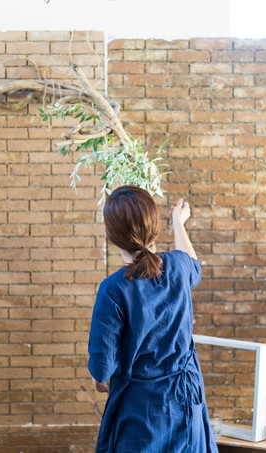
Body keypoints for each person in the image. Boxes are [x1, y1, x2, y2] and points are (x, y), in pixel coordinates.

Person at [87, 185, 218, 453]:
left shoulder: (112, 289)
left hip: (140, 410)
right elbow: (193, 265)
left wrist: (98, 377)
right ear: (154, 228)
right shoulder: (179, 268)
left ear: (111, 235)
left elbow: (102, 370)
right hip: (185, 398)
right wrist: (178, 223)